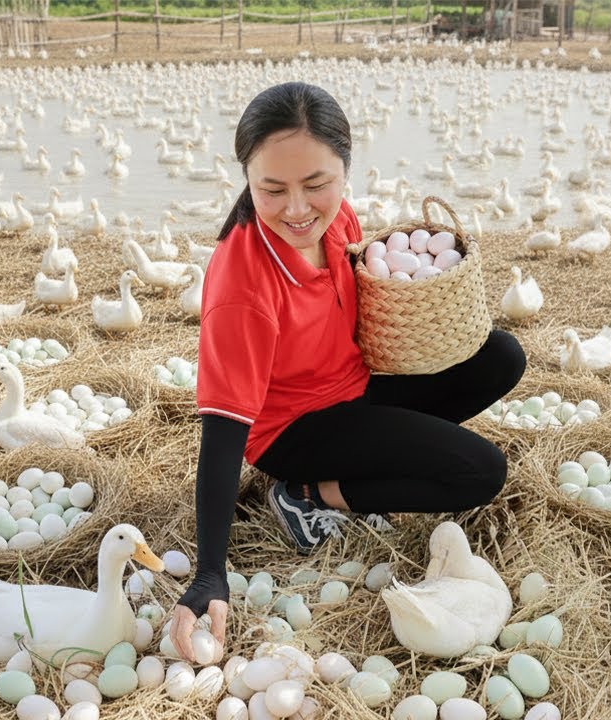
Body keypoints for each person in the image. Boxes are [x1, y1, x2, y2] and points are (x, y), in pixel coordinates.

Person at [170, 82, 526, 663]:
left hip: (354, 389)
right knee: (481, 473)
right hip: (295, 429)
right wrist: (210, 572)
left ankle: (361, 462)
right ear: (246, 180)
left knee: (502, 356)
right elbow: (223, 432)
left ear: (345, 168)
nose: (297, 208)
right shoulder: (243, 285)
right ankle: (310, 494)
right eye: (271, 189)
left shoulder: (338, 224)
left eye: (316, 184)